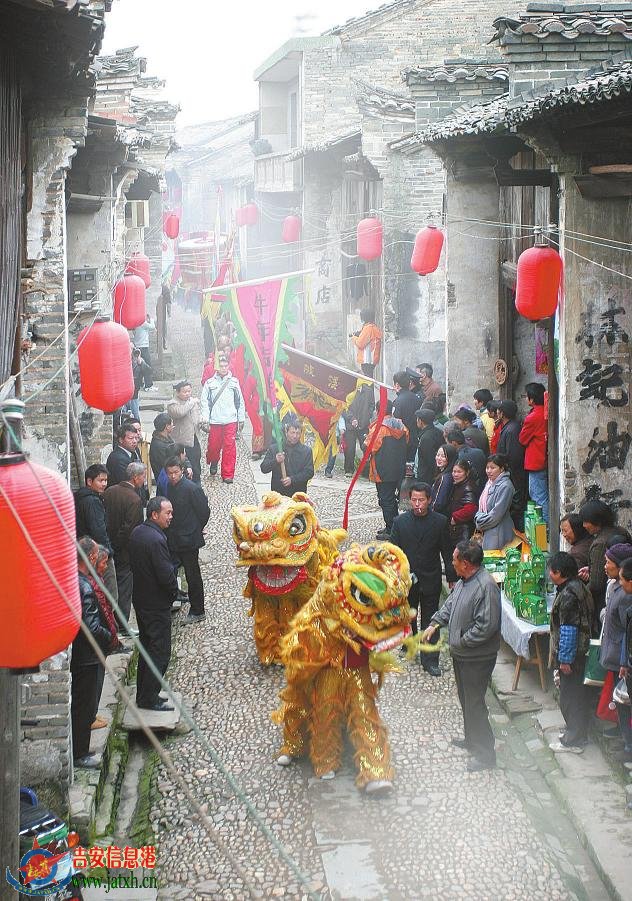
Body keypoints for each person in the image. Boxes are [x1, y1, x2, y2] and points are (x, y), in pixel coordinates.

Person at [422, 540, 501, 771]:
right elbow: (450, 605)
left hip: (476, 658)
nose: (451, 563)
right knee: (466, 700)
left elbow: (486, 626)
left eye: (454, 559)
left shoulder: (486, 587)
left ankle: (485, 754)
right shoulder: (464, 582)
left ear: (465, 563)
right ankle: (471, 739)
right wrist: (435, 623)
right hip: (463, 655)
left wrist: (460, 641)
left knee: (475, 703)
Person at [390, 482, 455, 675]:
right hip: (407, 580)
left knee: (431, 618)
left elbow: (447, 550)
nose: (417, 504)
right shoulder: (400, 522)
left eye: (421, 500)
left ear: (429, 500)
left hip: (430, 577)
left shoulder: (440, 522)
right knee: (408, 615)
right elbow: (392, 553)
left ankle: (430, 659)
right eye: (414, 500)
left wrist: (451, 575)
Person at [128, 497, 178, 711]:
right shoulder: (156, 539)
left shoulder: (138, 532)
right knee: (159, 651)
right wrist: (174, 592)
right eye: (168, 513)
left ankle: (144, 694)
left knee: (147, 648)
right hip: (156, 603)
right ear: (154, 514)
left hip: (141, 599)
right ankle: (149, 697)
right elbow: (165, 574)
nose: (171, 517)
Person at [71, 537, 113, 767]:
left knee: (82, 703)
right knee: (84, 705)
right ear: (91, 557)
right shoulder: (85, 586)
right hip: (87, 656)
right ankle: (80, 753)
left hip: (80, 652)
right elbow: (91, 626)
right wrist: (109, 637)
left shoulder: (76, 580)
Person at [548, 552, 594, 754]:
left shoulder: (568, 595)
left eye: (551, 571)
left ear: (559, 573)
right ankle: (576, 733)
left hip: (574, 654)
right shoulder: (579, 586)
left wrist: (565, 660)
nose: (549, 574)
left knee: (570, 697)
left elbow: (569, 629)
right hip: (582, 650)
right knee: (577, 695)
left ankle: (573, 740)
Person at [165, 457, 211, 624]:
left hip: (189, 538)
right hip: (174, 536)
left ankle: (198, 609)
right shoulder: (170, 486)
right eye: (170, 473)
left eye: (176, 472)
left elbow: (204, 511)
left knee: (192, 575)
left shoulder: (192, 489)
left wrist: (196, 527)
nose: (173, 476)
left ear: (182, 471)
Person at [103, 461, 146, 636]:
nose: (144, 480)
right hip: (124, 551)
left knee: (113, 586)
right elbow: (129, 529)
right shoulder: (134, 499)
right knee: (124, 588)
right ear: (135, 478)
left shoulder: (110, 491)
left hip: (108, 546)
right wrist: (118, 546)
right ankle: (122, 625)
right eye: (143, 476)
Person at [599, 544, 632, 760]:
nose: (605, 566)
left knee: (624, 701)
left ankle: (628, 746)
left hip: (622, 658)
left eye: (608, 562)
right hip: (616, 654)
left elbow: (626, 632)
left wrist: (624, 662)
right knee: (620, 699)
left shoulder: (625, 595)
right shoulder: (616, 588)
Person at [578, 500, 629, 628]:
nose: (584, 525)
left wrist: (579, 596)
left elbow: (596, 584)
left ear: (597, 521)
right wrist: (592, 568)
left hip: (605, 601)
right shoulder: (621, 531)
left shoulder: (600, 543)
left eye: (586, 522)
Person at [74, 463, 119, 611]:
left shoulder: (80, 497)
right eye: (100, 480)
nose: (104, 484)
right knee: (109, 595)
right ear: (89, 481)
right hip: (98, 552)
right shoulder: (92, 501)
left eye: (106, 480)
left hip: (85, 552)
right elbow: (98, 530)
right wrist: (108, 553)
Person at [365, 401, 408, 539]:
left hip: (382, 469)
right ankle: (393, 526)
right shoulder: (401, 426)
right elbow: (407, 441)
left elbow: (370, 447)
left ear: (378, 411)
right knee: (391, 499)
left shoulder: (378, 428)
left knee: (386, 500)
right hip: (398, 467)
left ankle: (391, 529)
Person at [88, 545, 120, 730]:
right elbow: (104, 614)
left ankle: (91, 713)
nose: (106, 567)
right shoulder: (92, 586)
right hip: (97, 643)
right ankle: (89, 716)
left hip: (100, 640)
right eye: (103, 563)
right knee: (93, 681)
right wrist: (110, 635)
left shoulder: (95, 580)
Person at [200, 355, 245, 484]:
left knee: (229, 447)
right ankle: (213, 460)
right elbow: (205, 402)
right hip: (215, 421)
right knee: (213, 446)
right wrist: (205, 419)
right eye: (221, 366)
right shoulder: (209, 383)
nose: (224, 368)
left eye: (226, 366)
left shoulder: (234, 382)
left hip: (230, 420)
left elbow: (240, 401)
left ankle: (228, 474)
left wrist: (241, 418)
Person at [260, 418, 314, 496]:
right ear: (286, 432)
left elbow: (309, 472)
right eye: (292, 432)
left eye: (298, 433)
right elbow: (264, 468)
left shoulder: (306, 451)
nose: (295, 436)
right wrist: (275, 460)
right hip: (278, 493)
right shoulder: (275, 449)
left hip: (297, 494)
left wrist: (292, 479)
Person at [519, 382, 549, 524]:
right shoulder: (545, 412)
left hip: (536, 460)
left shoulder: (533, 416)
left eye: (527, 396)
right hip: (543, 458)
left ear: (532, 399)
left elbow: (522, 439)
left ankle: (545, 527)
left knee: (538, 496)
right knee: (541, 495)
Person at [474, 453, 515, 550]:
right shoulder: (489, 483)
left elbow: (496, 515)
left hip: (499, 531)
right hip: (487, 530)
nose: (489, 471)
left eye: (492, 468)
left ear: (502, 469)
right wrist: (478, 518)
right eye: (487, 467)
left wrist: (479, 523)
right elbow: (481, 508)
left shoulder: (506, 486)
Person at [496, 400, 526, 530]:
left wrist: (506, 470)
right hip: (511, 473)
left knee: (516, 505)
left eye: (499, 410)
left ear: (502, 413)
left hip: (514, 474)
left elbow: (513, 456)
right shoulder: (509, 427)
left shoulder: (512, 430)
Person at [167, 380, 202, 483]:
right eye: (184, 392)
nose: (187, 394)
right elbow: (180, 412)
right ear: (178, 392)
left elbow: (196, 416)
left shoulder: (192, 402)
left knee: (196, 461)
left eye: (189, 391)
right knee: (185, 464)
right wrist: (191, 403)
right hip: (181, 440)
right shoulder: (173, 404)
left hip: (194, 437)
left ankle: (197, 483)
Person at [342, 382, 374, 476]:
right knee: (350, 448)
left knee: (366, 447)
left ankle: (367, 470)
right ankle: (349, 470)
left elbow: (372, 405)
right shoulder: (347, 389)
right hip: (350, 425)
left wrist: (367, 415)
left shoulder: (369, 391)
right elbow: (343, 407)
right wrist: (351, 419)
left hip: (364, 424)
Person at [447, 459, 478, 546]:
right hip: (457, 530)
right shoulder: (459, 484)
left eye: (459, 472)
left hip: (463, 531)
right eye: (454, 471)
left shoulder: (468, 488)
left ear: (467, 473)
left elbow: (471, 509)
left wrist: (454, 517)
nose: (455, 474)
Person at [393, 370, 421, 462]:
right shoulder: (417, 399)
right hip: (415, 438)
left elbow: (396, 423)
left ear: (397, 385)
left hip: (402, 440)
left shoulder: (398, 401)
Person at [414, 408, 444, 485]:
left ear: (421, 421)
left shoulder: (426, 438)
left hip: (426, 476)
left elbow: (430, 459)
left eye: (417, 419)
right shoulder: (438, 432)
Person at [106, 423, 140, 487]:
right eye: (131, 438)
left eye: (136, 438)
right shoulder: (119, 459)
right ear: (121, 440)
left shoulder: (134, 451)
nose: (135, 441)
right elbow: (128, 484)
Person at [350, 309, 382, 377]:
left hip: (367, 359)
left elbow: (360, 344)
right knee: (369, 377)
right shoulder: (374, 327)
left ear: (365, 317)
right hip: (372, 359)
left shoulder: (368, 328)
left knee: (367, 379)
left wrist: (354, 337)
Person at [431, 443, 458, 516]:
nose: (439, 458)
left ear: (450, 458)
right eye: (438, 455)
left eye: (443, 456)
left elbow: (438, 503)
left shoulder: (445, 478)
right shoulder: (447, 474)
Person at [131, 314, 156, 390]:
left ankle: (140, 383)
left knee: (139, 366)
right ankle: (148, 385)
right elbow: (152, 327)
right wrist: (151, 320)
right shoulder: (143, 323)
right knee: (147, 366)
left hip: (137, 346)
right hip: (143, 347)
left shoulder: (136, 323)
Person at [149, 413, 175, 481]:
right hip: (166, 480)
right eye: (172, 423)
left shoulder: (167, 438)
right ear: (167, 426)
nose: (173, 425)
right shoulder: (159, 446)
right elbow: (170, 464)